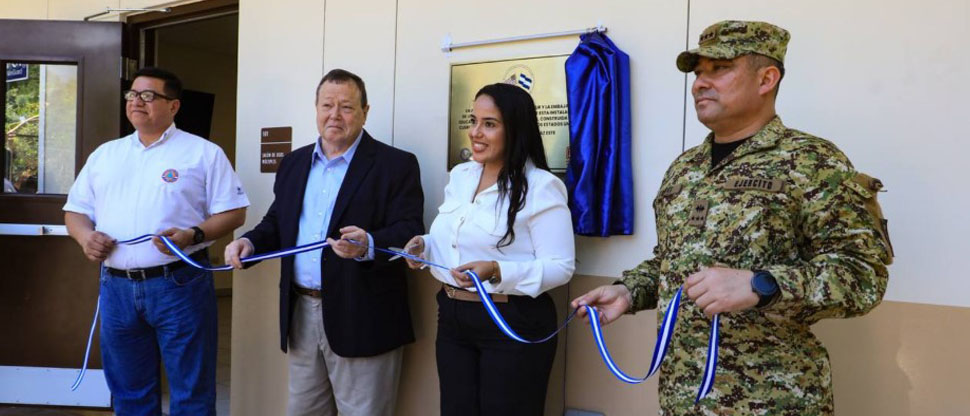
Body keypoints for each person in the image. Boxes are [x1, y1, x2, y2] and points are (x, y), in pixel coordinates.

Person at [572, 20, 893, 415]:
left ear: (766, 78)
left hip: (772, 402)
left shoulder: (814, 162)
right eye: (698, 72)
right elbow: (673, 261)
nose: (700, 83)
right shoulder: (685, 168)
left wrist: (762, 285)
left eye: (719, 69)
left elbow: (863, 275)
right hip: (683, 397)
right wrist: (629, 291)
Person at [224, 69, 424, 416]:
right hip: (301, 312)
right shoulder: (294, 162)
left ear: (365, 111)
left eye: (346, 106)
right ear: (315, 109)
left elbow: (410, 228)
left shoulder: (396, 164)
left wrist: (369, 244)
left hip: (364, 314)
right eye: (327, 105)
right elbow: (278, 221)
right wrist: (250, 244)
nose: (335, 115)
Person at [63, 67, 249, 415]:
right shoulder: (106, 154)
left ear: (173, 106)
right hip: (116, 288)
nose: (137, 102)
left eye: (148, 95)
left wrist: (193, 235)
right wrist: (85, 237)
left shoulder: (203, 153)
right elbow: (74, 212)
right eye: (132, 95)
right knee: (130, 394)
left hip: (178, 284)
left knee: (190, 393)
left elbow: (235, 212)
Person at [404, 82, 575, 415]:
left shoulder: (542, 187)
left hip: (511, 319)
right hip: (453, 315)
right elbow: (454, 239)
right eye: (473, 121)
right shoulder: (462, 176)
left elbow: (561, 266)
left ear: (516, 129)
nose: (475, 133)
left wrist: (498, 271)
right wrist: (424, 246)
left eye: (490, 124)